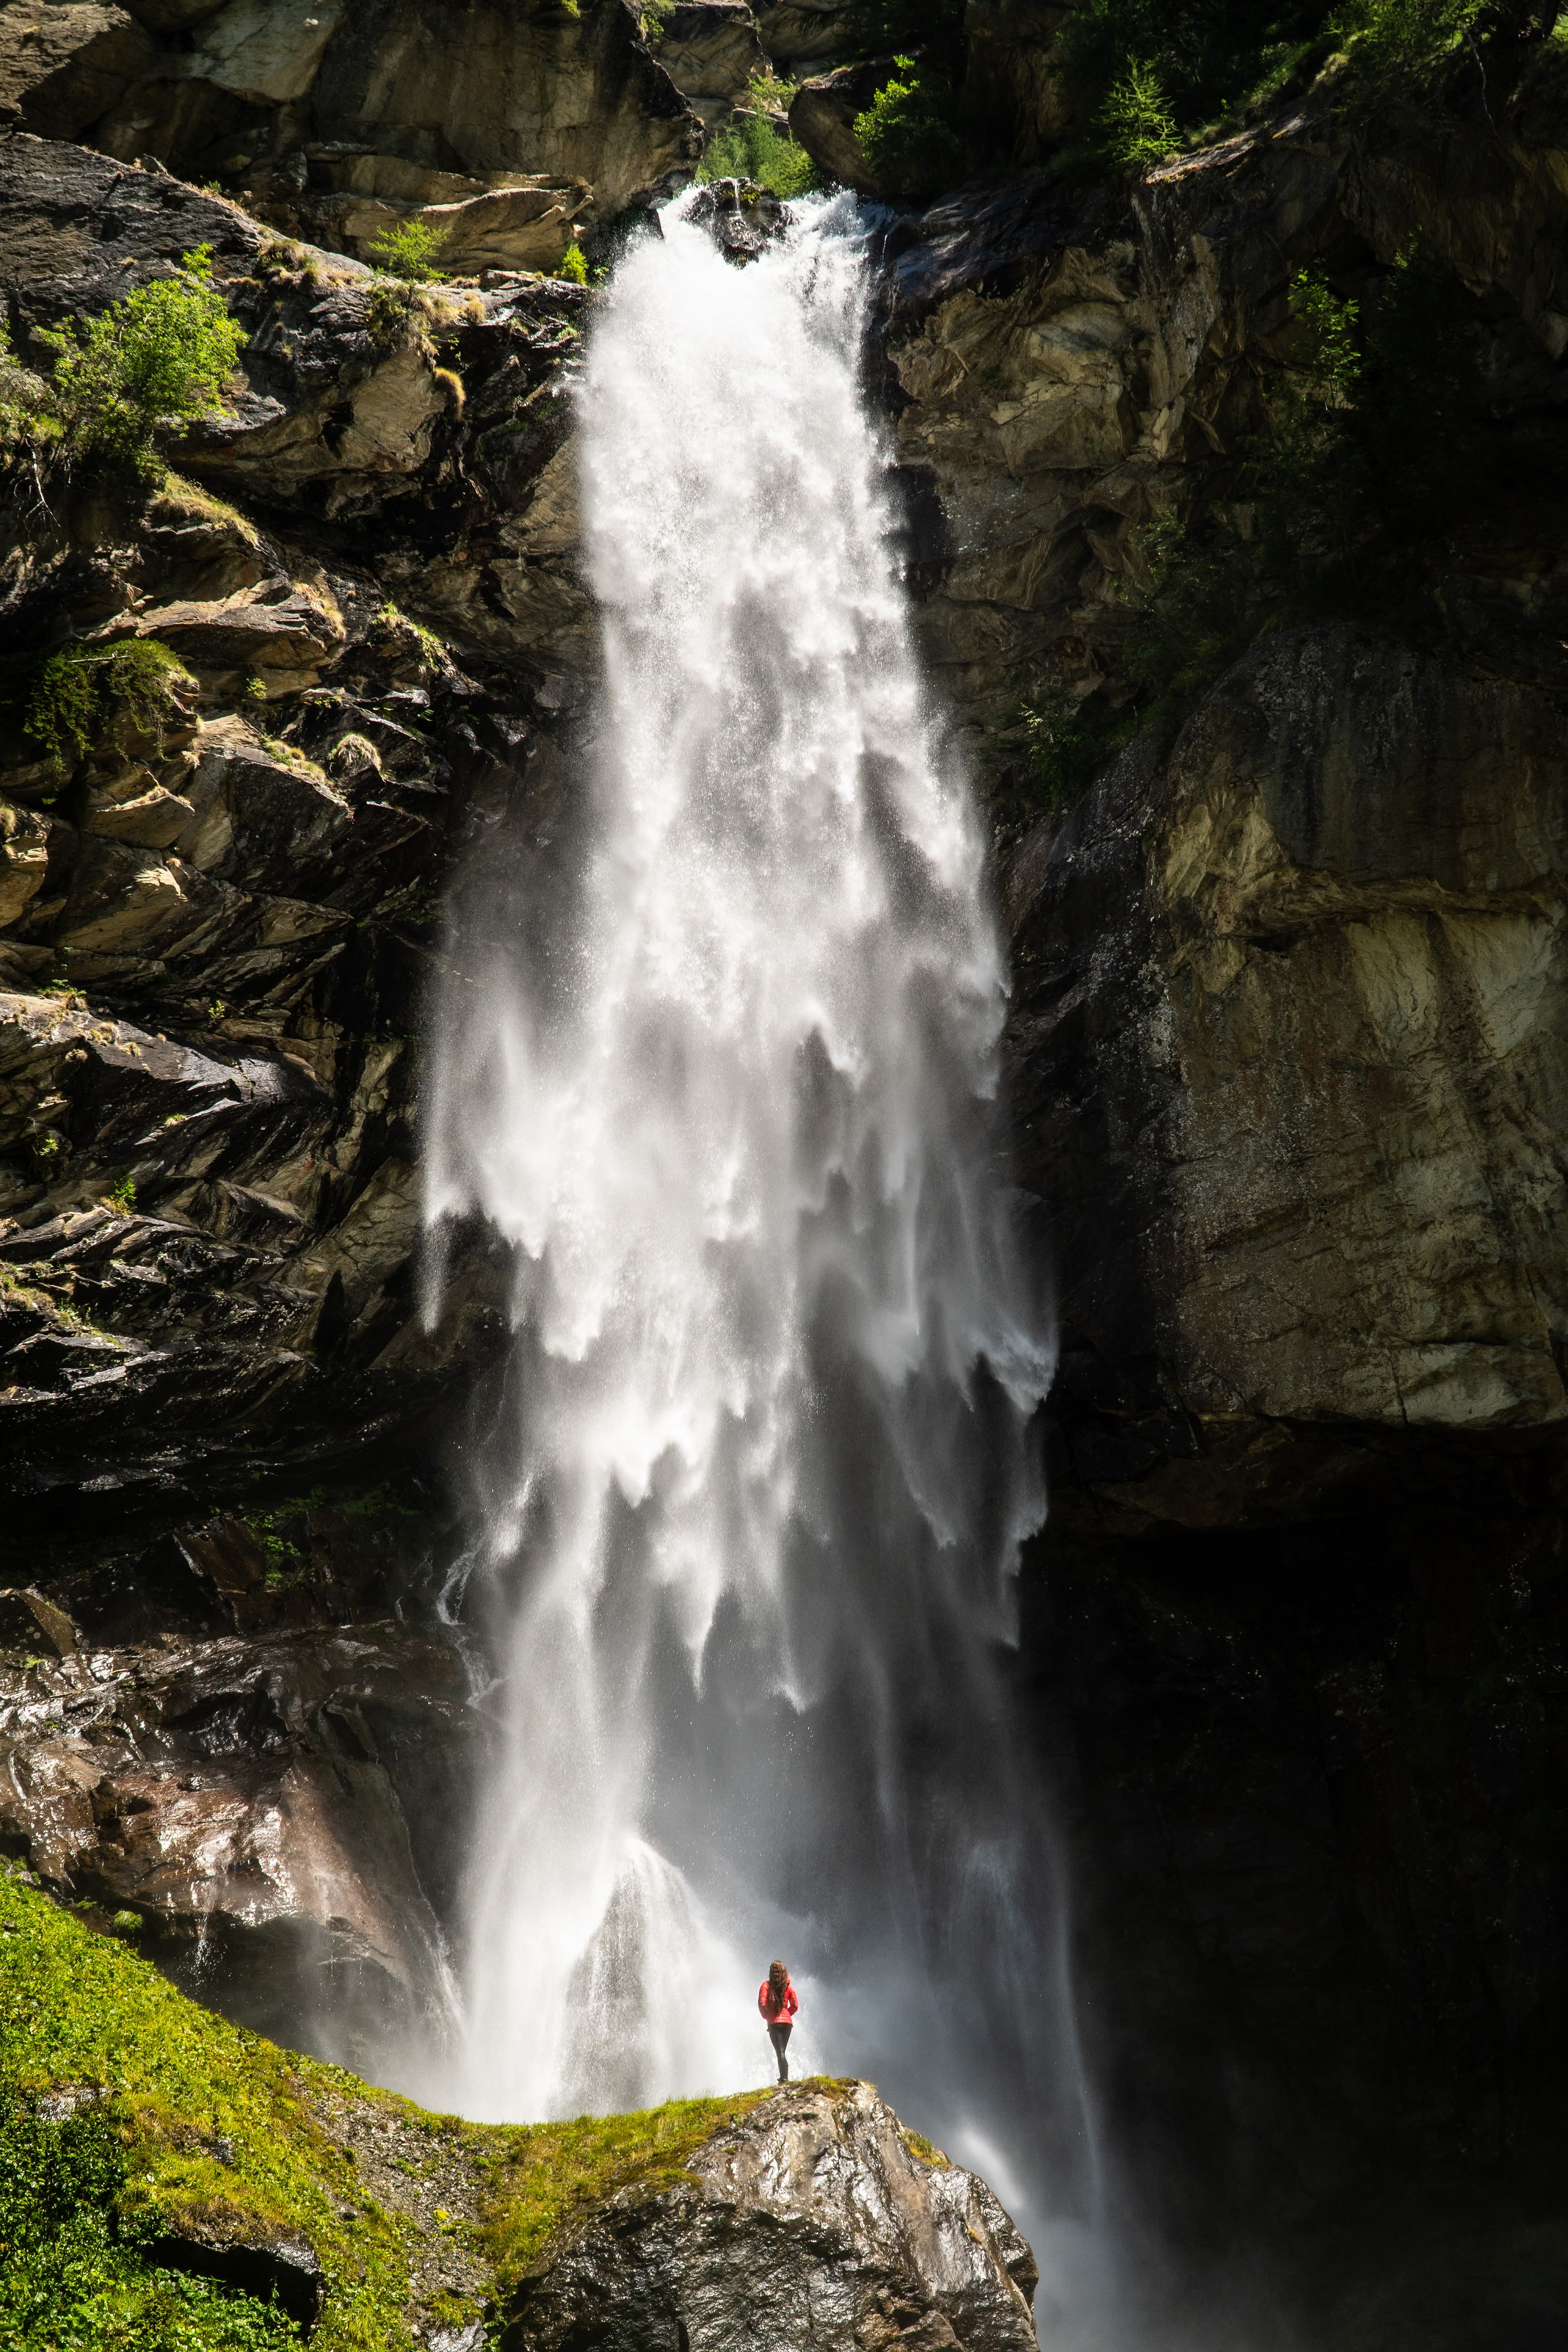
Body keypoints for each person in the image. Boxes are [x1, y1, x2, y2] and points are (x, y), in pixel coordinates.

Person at [758, 1958, 798, 2081]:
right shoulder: (789, 1987)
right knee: (782, 2052)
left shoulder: (766, 1985)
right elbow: (795, 2006)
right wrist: (787, 2015)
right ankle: (784, 2078)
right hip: (787, 2024)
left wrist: (766, 2015)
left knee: (780, 2052)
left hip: (774, 2023)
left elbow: (761, 2003)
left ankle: (784, 2079)